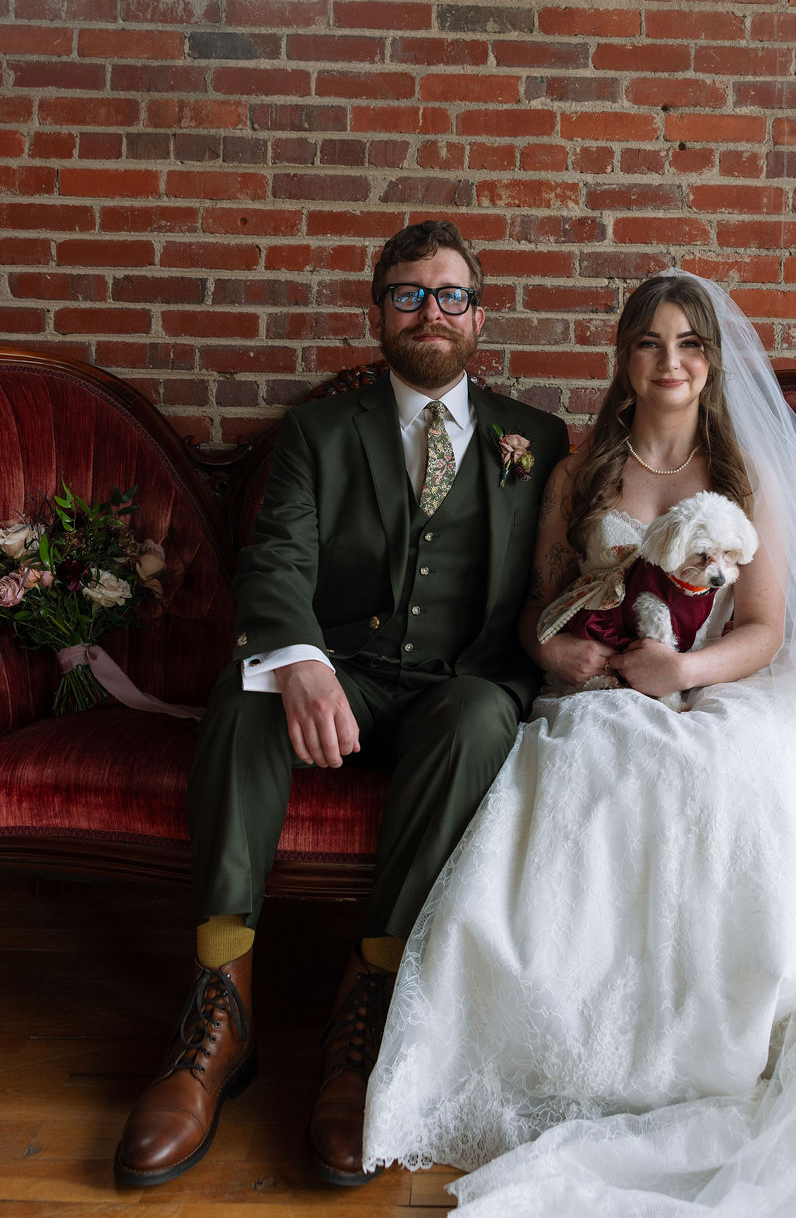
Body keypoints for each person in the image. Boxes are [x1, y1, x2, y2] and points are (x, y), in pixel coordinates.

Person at [363, 271, 796, 1218]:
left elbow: (763, 628)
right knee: (591, 781)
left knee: (743, 781)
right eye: (648, 343)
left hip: (716, 683)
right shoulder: (580, 467)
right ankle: (581, 1045)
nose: (668, 362)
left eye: (688, 344)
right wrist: (561, 652)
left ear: (710, 362)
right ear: (624, 359)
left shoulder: (745, 475)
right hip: (599, 690)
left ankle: (722, 1046)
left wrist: (688, 675)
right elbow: (538, 612)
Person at [113, 219, 569, 1190]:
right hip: (346, 671)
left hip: (458, 686)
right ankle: (220, 1007)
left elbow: (561, 577)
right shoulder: (321, 431)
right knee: (247, 692)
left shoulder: (536, 438)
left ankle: (368, 1003)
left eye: (450, 293)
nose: (430, 310)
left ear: (479, 315)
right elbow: (275, 554)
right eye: (408, 292)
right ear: (377, 313)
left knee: (485, 713)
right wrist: (301, 658)